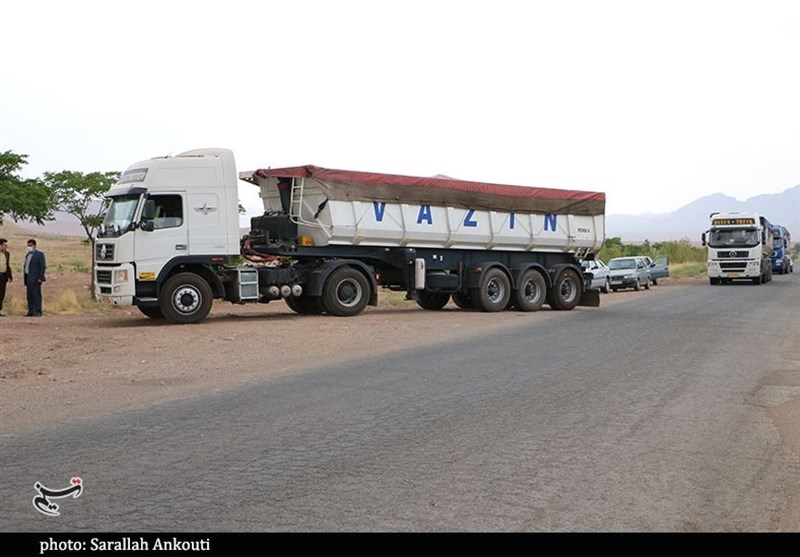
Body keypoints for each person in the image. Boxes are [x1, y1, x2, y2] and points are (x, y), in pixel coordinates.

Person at [23, 239, 46, 317]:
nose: (28, 247)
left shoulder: (39, 254)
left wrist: (41, 277)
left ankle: (37, 311)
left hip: (36, 278)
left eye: (30, 245)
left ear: (34, 246)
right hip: (28, 278)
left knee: (36, 295)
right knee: (29, 295)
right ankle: (31, 311)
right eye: (28, 245)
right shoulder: (28, 255)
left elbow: (42, 267)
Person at [0, 239, 11, 317]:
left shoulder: (7, 254)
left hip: (3, 276)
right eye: (4, 245)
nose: (6, 247)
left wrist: (9, 275)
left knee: (1, 294)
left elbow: (7, 265)